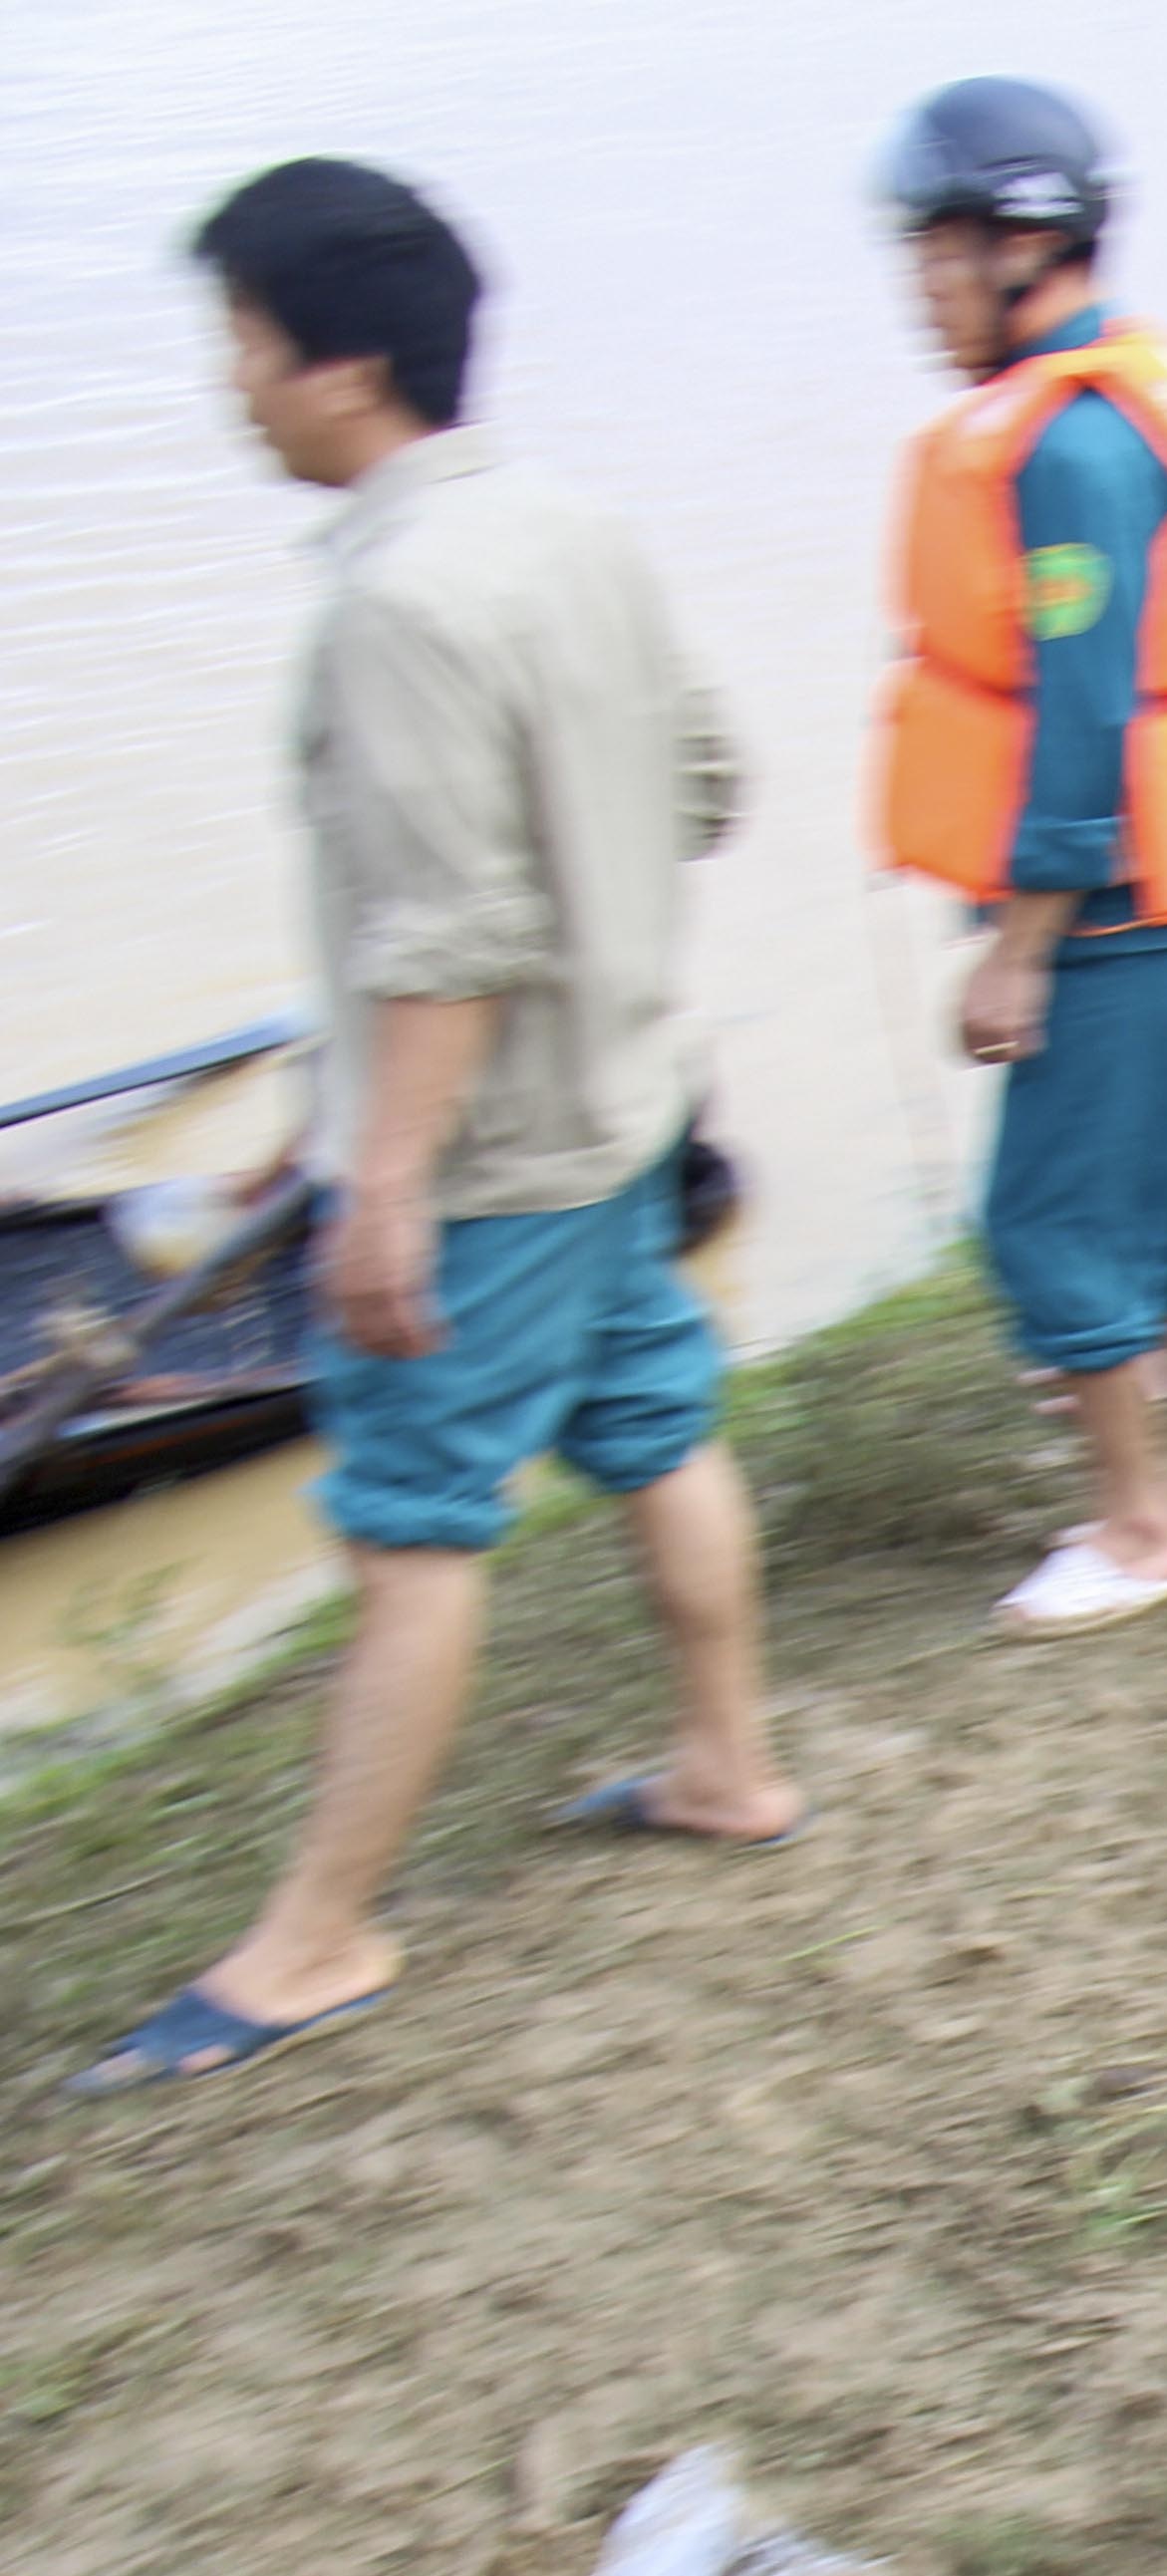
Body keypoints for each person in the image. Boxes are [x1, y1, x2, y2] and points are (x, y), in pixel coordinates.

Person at [71, 159, 798, 2101]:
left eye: (239, 340)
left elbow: (447, 934)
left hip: (487, 1172)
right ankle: (727, 1762)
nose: (227, 382)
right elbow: (710, 782)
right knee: (657, 1424)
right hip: (628, 1103)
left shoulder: (400, 598)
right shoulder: (569, 526)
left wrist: (376, 1184)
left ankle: (315, 1938)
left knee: (409, 1530)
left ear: (342, 367)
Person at [872, 78, 1167, 1638]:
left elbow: (1082, 714)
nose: (920, 291)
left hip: (1110, 889)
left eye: (935, 254)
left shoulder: (1069, 452)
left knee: (1049, 1212)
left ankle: (1138, 1531)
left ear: (1021, 243)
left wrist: (1018, 943)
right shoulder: (1135, 396)